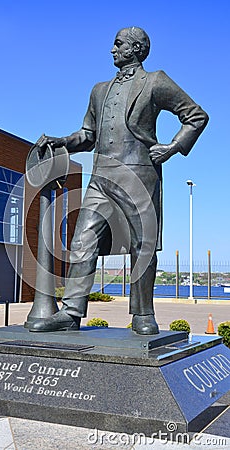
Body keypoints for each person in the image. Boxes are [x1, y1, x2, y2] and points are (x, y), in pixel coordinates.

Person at [26, 26, 208, 335]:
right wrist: (63, 142)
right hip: (101, 177)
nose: (112, 49)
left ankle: (142, 314)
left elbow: (196, 116)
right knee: (83, 240)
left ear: (136, 49)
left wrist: (173, 146)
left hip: (140, 173)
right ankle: (71, 313)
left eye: (118, 44)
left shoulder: (155, 81)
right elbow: (89, 136)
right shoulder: (99, 90)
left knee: (143, 244)